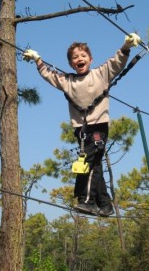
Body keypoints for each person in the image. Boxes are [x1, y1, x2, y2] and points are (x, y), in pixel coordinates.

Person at [23, 33, 141, 217]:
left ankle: (87, 201)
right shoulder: (67, 81)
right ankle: (105, 204)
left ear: (90, 59)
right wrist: (37, 59)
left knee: (89, 161)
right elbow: (49, 75)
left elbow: (116, 63)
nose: (79, 59)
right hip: (81, 129)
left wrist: (126, 46)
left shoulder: (100, 74)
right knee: (94, 164)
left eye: (83, 56)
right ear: (71, 64)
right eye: (75, 57)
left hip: (98, 126)